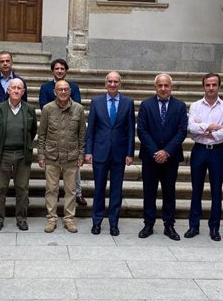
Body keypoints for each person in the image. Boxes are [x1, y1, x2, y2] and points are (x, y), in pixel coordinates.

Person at [137, 74, 188, 241]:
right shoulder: (146, 105)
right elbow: (142, 130)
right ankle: (148, 224)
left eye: (166, 85)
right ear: (155, 87)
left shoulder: (180, 106)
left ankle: (169, 225)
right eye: (160, 85)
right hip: (150, 157)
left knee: (169, 192)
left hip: (171, 158)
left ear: (171, 87)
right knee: (149, 191)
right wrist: (155, 152)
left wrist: (166, 152)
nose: (163, 88)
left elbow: (181, 131)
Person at [85, 71, 135, 236]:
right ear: (105, 83)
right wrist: (88, 151)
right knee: (99, 188)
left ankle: (114, 223)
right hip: (100, 152)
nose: (113, 84)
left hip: (119, 154)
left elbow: (130, 131)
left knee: (116, 190)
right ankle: (97, 221)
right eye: (110, 81)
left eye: (116, 82)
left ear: (120, 84)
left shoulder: (128, 103)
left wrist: (130, 153)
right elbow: (91, 129)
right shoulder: (96, 102)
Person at [185, 73, 223, 241]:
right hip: (199, 150)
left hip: (217, 152)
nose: (211, 88)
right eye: (208, 85)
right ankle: (193, 226)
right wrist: (211, 127)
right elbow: (191, 127)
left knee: (216, 191)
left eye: (214, 85)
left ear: (219, 86)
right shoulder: (196, 106)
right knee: (196, 189)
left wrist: (203, 128)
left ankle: (214, 228)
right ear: (203, 86)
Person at [37, 79, 86, 234]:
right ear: (55, 92)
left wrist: (81, 154)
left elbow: (82, 135)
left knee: (71, 190)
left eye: (66, 89)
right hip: (52, 156)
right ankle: (51, 218)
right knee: (51, 189)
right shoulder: (47, 109)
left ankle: (69, 219)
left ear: (70, 91)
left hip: (71, 156)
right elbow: (42, 134)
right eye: (60, 89)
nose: (63, 92)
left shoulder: (78, 109)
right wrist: (41, 155)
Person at [0, 78, 37, 232]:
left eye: (19, 88)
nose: (16, 90)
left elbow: (33, 131)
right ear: (8, 90)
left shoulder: (29, 109)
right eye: (13, 87)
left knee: (22, 189)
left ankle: (22, 219)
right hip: (4, 154)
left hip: (22, 155)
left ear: (23, 92)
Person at [0, 51, 28, 204]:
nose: (5, 63)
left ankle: (21, 197)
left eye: (7, 60)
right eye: (2, 61)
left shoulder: (20, 81)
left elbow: (25, 106)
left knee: (19, 163)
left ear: (12, 62)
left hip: (15, 128)